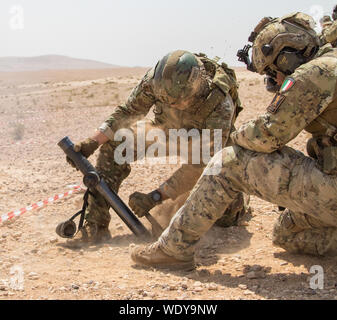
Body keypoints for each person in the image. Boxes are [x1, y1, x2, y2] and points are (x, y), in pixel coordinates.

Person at [131, 12, 337, 271]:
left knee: (229, 162)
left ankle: (173, 249)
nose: (274, 80)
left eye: (273, 72)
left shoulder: (315, 73)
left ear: (287, 57)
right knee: (286, 232)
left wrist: (235, 139)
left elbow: (268, 134)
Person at [59, 50, 249, 245]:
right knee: (116, 145)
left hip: (204, 144)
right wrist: (93, 142)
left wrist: (154, 197)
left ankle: (238, 204)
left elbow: (201, 163)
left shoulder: (219, 103)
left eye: (178, 101)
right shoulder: (156, 82)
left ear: (196, 87)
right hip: (167, 132)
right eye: (166, 100)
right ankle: (95, 225)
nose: (172, 105)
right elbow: (128, 112)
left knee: (224, 217)